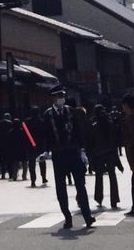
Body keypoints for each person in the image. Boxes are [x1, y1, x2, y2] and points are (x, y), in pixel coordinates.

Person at [40, 86, 95, 230]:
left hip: (73, 152)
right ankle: (67, 217)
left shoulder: (71, 111)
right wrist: (45, 151)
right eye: (59, 96)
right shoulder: (48, 114)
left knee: (80, 186)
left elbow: (78, 131)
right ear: (53, 98)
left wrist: (83, 151)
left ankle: (87, 216)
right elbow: (45, 135)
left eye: (62, 96)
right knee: (61, 188)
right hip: (58, 155)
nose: (61, 99)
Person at [87, 103, 121, 208]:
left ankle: (99, 198)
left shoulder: (94, 125)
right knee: (112, 176)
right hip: (110, 153)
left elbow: (91, 143)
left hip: (98, 154)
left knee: (99, 177)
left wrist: (91, 158)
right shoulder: (110, 124)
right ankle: (114, 199)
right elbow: (115, 140)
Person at [24, 109, 48, 187]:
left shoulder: (26, 122)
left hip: (30, 145)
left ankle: (33, 180)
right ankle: (43, 177)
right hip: (40, 145)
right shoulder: (42, 121)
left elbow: (25, 134)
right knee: (42, 162)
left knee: (31, 164)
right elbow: (45, 134)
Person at [0, 112, 14, 180]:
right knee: (9, 160)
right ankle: (10, 174)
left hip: (1, 145)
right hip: (9, 145)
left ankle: (3, 174)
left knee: (2, 160)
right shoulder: (11, 123)